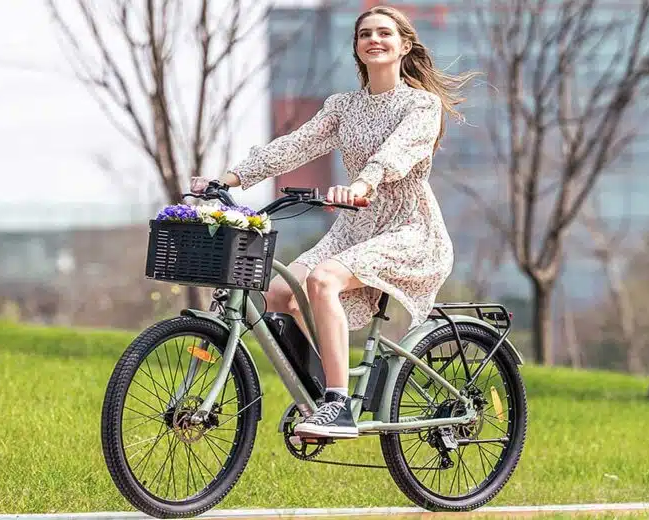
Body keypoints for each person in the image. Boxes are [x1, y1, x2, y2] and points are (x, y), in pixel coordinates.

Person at [191, 5, 480, 439]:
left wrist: (364, 182)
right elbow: (295, 146)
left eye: (385, 33)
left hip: (408, 228)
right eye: (365, 34)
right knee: (275, 294)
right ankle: (322, 390)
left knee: (321, 281)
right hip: (355, 228)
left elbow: (395, 154)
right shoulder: (343, 106)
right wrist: (227, 179)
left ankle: (338, 406)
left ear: (405, 46)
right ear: (357, 49)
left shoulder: (422, 105)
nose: (374, 40)